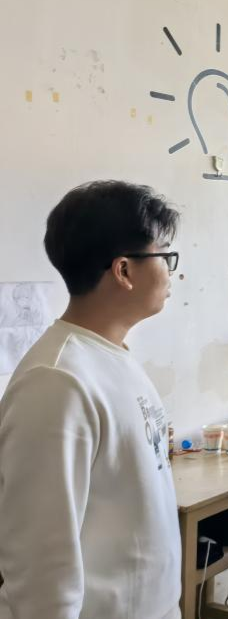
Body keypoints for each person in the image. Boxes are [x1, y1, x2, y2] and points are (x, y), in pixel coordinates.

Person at [0, 181, 182, 619]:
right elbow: (41, 573)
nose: (171, 272)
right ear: (124, 270)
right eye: (165, 256)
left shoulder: (110, 355)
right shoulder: (56, 380)